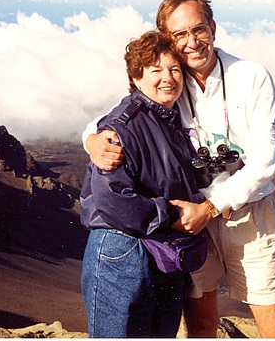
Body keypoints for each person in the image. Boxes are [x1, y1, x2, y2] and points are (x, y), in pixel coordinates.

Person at [82, 0, 275, 338]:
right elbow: (113, 118)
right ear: (168, 40)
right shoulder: (172, 78)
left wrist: (211, 208)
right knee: (199, 324)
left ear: (213, 27)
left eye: (199, 29)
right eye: (180, 35)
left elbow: (265, 162)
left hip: (246, 213)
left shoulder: (250, 77)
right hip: (189, 222)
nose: (192, 42)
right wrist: (92, 140)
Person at [80, 30, 207, 338]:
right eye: (156, 70)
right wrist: (173, 215)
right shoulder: (121, 127)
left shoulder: (171, 119)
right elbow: (113, 199)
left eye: (175, 69)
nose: (168, 78)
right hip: (122, 252)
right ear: (136, 78)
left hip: (162, 251)